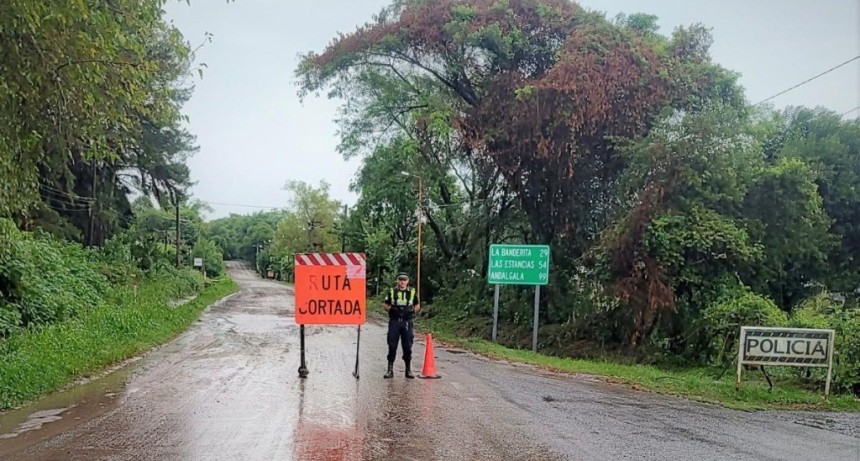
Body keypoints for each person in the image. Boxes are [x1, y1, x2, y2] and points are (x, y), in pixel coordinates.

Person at [383, 272, 420, 378]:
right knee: (392, 346)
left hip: (407, 322)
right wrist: (390, 309)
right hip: (395, 321)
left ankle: (408, 370)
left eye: (404, 280)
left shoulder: (412, 292)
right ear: (397, 280)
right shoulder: (392, 291)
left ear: (407, 281)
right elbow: (385, 305)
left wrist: (412, 311)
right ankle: (390, 370)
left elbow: (417, 306)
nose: (402, 282)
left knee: (407, 346)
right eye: (400, 279)